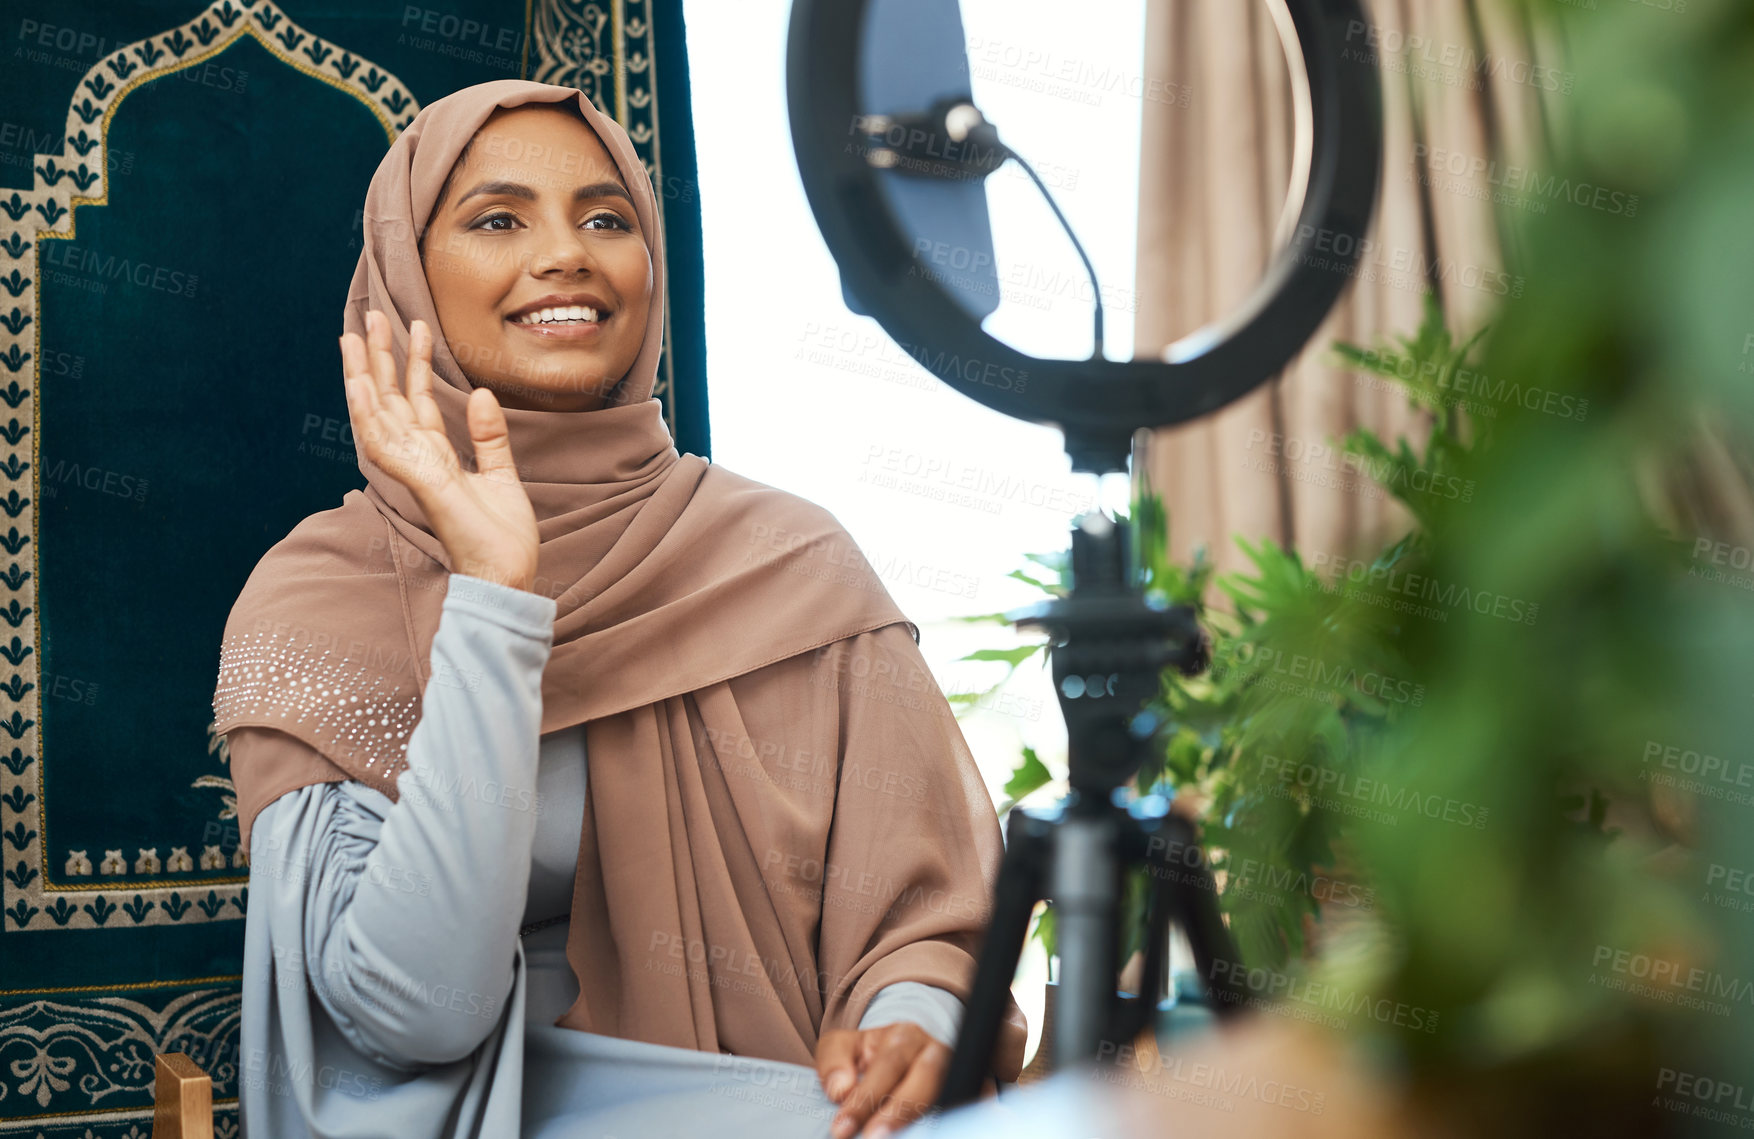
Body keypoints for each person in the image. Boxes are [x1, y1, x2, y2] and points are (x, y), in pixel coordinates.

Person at [210, 79, 1027, 1138]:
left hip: (782, 1102)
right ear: (405, 275)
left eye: (607, 218)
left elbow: (930, 918)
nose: (568, 254)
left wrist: (910, 1021)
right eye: (499, 219)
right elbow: (412, 1014)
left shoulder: (786, 564)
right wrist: (494, 600)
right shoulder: (324, 598)